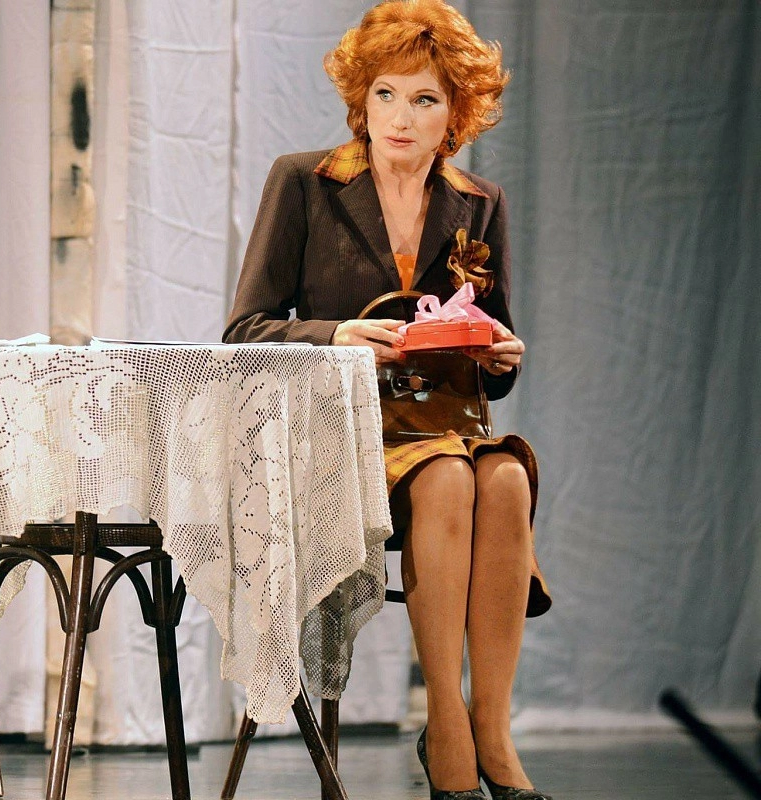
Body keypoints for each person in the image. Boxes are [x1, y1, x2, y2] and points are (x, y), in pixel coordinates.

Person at [223, 2, 552, 798]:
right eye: (386, 94)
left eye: (425, 99)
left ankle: (491, 728)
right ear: (361, 100)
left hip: (441, 427)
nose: (401, 118)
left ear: (456, 114)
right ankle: (445, 722)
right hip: (336, 438)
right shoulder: (305, 182)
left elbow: (490, 365)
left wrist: (501, 353)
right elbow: (244, 331)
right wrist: (337, 334)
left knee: (507, 475)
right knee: (449, 475)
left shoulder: (479, 201)